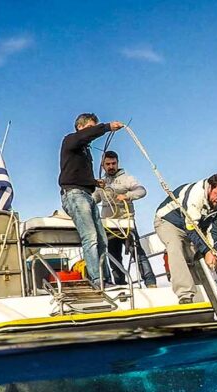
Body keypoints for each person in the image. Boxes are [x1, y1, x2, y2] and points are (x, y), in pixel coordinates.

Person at [58, 113, 123, 289]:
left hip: (87, 194)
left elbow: (76, 173)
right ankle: (97, 280)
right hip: (74, 194)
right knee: (91, 237)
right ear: (81, 127)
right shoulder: (70, 140)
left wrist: (95, 182)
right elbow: (86, 136)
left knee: (102, 239)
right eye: (91, 128)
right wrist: (107, 127)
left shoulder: (85, 151)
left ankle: (106, 279)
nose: (93, 132)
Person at [153, 173, 217, 304]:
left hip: (194, 224)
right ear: (209, 188)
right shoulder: (195, 195)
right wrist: (206, 251)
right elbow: (191, 228)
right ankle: (185, 294)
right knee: (175, 246)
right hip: (169, 222)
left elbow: (215, 230)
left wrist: (213, 250)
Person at [94, 151, 156, 287]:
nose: (111, 166)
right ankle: (121, 285)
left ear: (117, 163)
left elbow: (142, 191)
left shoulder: (127, 178)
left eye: (113, 163)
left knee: (137, 253)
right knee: (113, 257)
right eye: (108, 164)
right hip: (108, 226)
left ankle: (150, 282)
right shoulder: (100, 183)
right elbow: (94, 199)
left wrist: (127, 195)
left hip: (126, 222)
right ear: (103, 165)